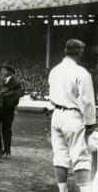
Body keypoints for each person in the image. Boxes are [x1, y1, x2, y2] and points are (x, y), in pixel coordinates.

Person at [49, 39, 96, 192]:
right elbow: (87, 102)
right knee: (81, 155)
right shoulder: (81, 73)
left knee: (60, 156)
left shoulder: (54, 70)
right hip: (73, 116)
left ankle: (63, 191)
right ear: (80, 52)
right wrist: (90, 124)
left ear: (65, 51)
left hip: (56, 114)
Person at [0, 62, 22, 159]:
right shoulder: (1, 80)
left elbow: (17, 96)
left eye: (4, 70)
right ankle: (0, 150)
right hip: (0, 109)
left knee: (6, 130)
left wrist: (6, 99)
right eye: (2, 70)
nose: (2, 71)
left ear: (10, 71)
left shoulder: (15, 82)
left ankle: (7, 151)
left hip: (8, 110)